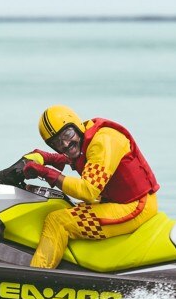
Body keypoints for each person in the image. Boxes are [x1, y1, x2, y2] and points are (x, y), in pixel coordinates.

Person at [18, 105, 160, 269]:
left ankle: (36, 277)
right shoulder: (85, 140)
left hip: (136, 206)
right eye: (57, 143)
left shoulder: (103, 141)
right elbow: (78, 158)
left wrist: (46, 173)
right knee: (57, 205)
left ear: (76, 126)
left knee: (58, 222)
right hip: (116, 201)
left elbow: (88, 190)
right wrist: (45, 157)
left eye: (67, 134)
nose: (65, 144)